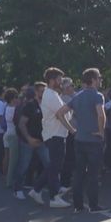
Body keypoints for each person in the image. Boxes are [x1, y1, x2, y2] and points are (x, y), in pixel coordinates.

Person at [56, 68, 108, 213]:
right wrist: (101, 131)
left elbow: (60, 113)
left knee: (79, 172)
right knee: (93, 173)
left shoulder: (77, 97)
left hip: (79, 139)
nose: (100, 80)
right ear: (93, 80)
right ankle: (93, 204)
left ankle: (78, 204)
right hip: (93, 139)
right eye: (99, 78)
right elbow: (101, 114)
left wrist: (71, 129)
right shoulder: (97, 96)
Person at [29, 67, 74, 208]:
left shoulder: (53, 94)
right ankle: (54, 196)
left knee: (54, 165)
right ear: (52, 80)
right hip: (55, 134)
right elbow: (61, 116)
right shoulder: (51, 95)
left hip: (56, 134)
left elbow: (67, 114)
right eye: (59, 79)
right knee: (55, 165)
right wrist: (71, 129)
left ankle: (37, 189)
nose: (61, 82)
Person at [14, 86, 48, 199]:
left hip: (42, 140)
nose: (44, 93)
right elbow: (21, 124)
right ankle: (17, 188)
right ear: (36, 93)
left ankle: (50, 188)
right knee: (23, 165)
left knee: (49, 165)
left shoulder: (46, 105)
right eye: (42, 91)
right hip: (28, 141)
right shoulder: (29, 105)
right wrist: (28, 138)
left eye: (45, 91)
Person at [60, 77, 76, 189]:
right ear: (65, 88)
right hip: (68, 131)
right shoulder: (63, 100)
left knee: (72, 157)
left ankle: (68, 180)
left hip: (73, 130)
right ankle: (65, 182)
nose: (73, 87)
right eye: (71, 85)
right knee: (69, 158)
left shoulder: (73, 97)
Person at [3, 88, 20, 188]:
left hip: (7, 134)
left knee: (7, 157)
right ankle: (9, 181)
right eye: (16, 97)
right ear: (12, 98)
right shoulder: (13, 109)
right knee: (13, 160)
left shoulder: (7, 107)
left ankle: (5, 177)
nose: (17, 99)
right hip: (13, 135)